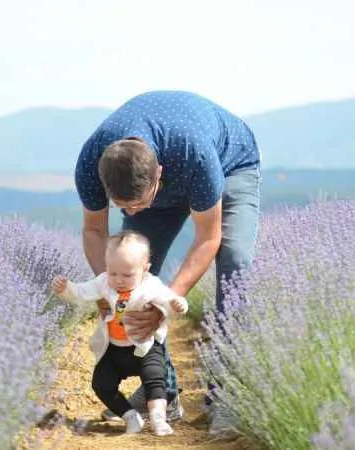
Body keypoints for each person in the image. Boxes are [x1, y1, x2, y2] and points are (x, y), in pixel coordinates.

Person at [74, 90, 262, 435]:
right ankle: (162, 392)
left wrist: (164, 303)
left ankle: (229, 399)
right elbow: (93, 229)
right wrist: (108, 287)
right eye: (122, 207)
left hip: (231, 163)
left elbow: (208, 237)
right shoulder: (91, 162)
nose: (131, 214)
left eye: (139, 204)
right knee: (131, 274)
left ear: (159, 174)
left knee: (236, 263)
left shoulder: (196, 156)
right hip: (164, 171)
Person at [50, 230, 189, 436]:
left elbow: (170, 300)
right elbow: (82, 292)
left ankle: (158, 418)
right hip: (114, 348)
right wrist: (65, 289)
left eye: (127, 275)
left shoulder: (151, 285)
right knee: (101, 384)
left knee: (155, 379)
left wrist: (179, 305)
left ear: (145, 269)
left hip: (145, 345)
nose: (119, 280)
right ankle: (130, 416)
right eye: (113, 273)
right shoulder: (104, 281)